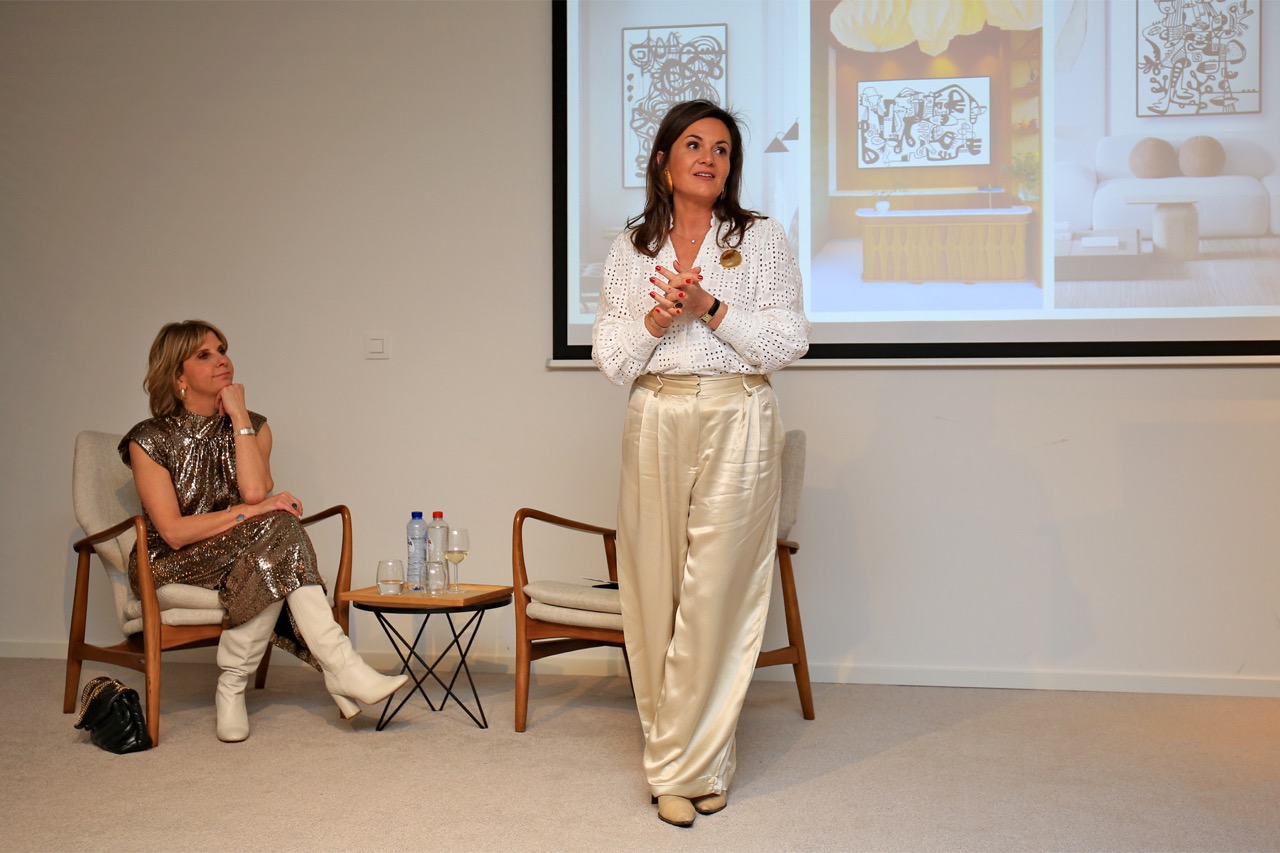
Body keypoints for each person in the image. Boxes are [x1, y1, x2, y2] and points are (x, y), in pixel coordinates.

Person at [592, 100, 810, 827]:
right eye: (694, 144)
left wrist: (711, 307)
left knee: (718, 590)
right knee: (654, 586)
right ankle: (689, 763)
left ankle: (685, 768)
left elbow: (789, 341)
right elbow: (612, 358)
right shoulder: (631, 247)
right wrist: (656, 320)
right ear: (664, 160)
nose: (709, 158)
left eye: (721, 149)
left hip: (738, 410)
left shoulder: (761, 237)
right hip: (656, 411)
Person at [119, 319, 407, 742]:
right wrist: (252, 512)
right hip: (172, 560)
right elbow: (175, 532)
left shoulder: (254, 425)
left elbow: (255, 491)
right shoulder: (149, 439)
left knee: (275, 539)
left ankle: (233, 687)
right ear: (178, 376)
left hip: (243, 555)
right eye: (204, 355)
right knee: (279, 528)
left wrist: (238, 416)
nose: (222, 360)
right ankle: (340, 668)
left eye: (222, 350)